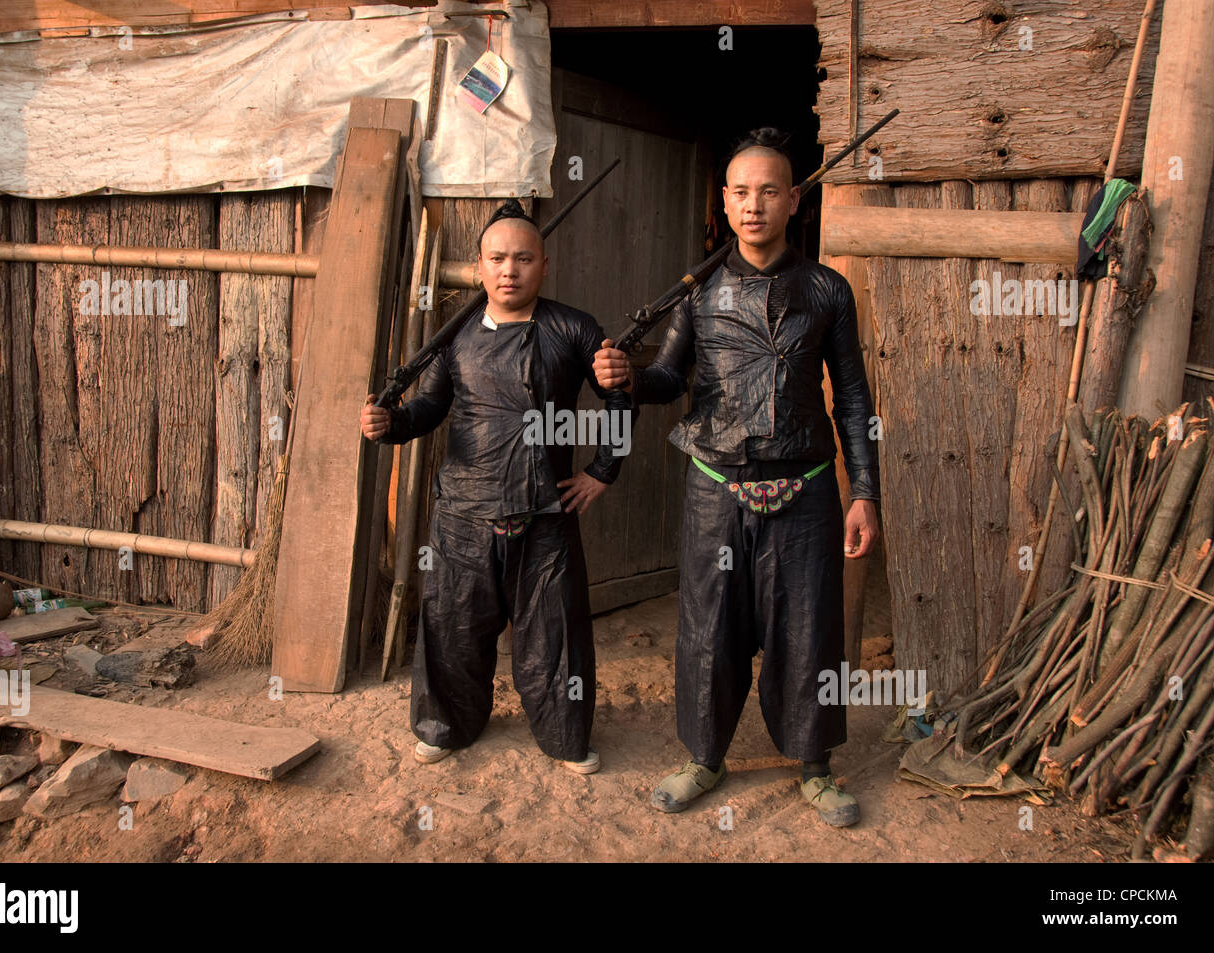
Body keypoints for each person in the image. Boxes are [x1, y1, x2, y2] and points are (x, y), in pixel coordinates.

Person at [592, 128, 881, 825]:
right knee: (708, 626)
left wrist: (864, 491)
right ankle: (703, 756)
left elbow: (851, 396)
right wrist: (626, 379)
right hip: (715, 486)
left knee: (808, 627)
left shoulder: (826, 291)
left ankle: (815, 764)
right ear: (724, 201)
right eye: (741, 192)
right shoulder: (698, 291)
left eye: (769, 191)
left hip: (806, 485)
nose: (754, 205)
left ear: (794, 199)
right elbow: (669, 377)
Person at [361, 200, 632, 775]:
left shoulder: (574, 328)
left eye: (524, 258)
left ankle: (565, 735)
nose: (511, 270)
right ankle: (446, 726)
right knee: (452, 628)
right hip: (463, 513)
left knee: (554, 634)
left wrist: (602, 471)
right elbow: (430, 407)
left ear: (545, 265)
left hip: (546, 513)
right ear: (479, 266)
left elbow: (619, 396)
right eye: (498, 259)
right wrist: (391, 425)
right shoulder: (453, 334)